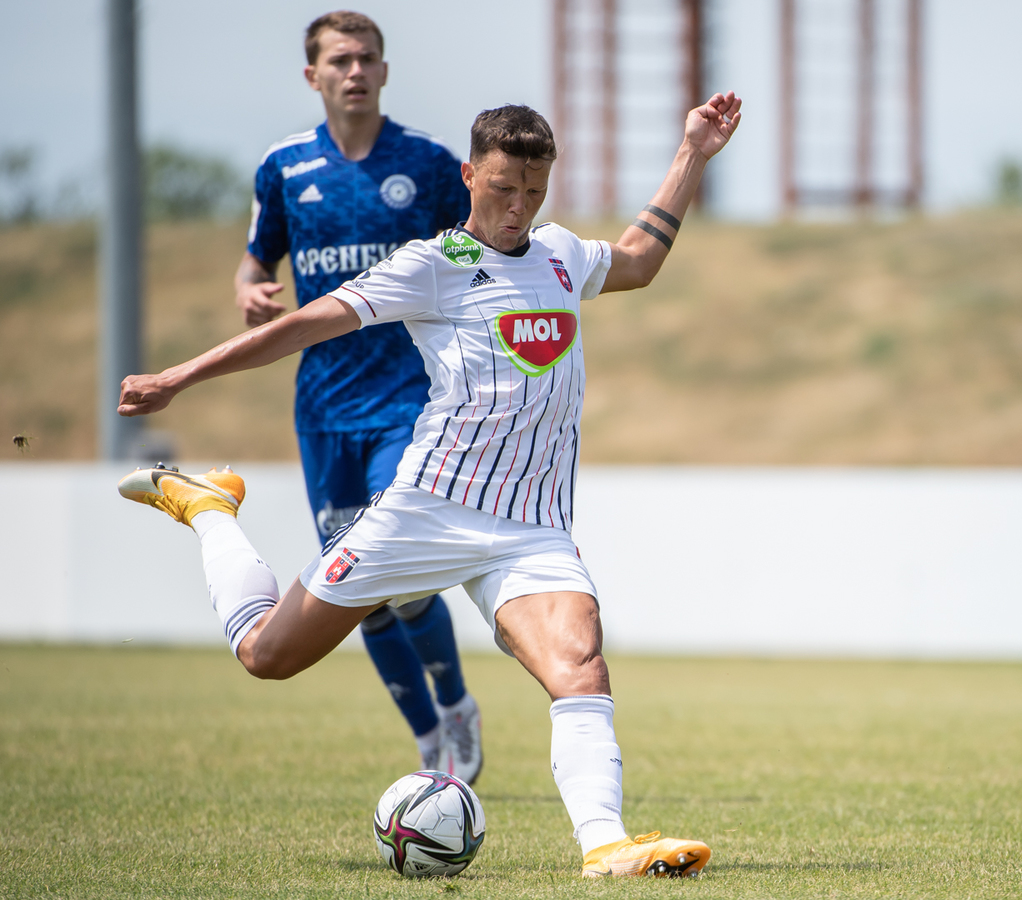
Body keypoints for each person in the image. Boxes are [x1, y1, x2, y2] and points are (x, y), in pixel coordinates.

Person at [115, 94, 741, 878]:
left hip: (531, 529)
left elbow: (640, 260)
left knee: (581, 664)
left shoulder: (560, 254)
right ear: (468, 176)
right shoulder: (432, 266)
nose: (518, 207)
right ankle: (210, 509)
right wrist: (177, 377)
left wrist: (693, 153)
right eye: (503, 188)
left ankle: (606, 846)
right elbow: (301, 327)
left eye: (534, 191)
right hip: (425, 510)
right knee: (266, 654)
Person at [238, 10, 481, 782]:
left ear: (384, 70)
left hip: (408, 399)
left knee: (393, 571)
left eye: (367, 58)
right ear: (313, 75)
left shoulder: (431, 164)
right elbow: (256, 261)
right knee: (355, 587)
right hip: (323, 407)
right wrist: (250, 290)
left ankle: (456, 702)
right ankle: (429, 737)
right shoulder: (284, 168)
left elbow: (480, 259)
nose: (355, 71)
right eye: (340, 60)